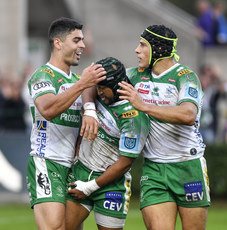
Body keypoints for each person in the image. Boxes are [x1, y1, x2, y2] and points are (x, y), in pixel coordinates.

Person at [118, 25, 210, 230]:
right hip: (154, 169)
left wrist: (143, 105)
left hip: (188, 166)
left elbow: (188, 114)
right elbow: (95, 81)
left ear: (157, 49)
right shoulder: (135, 75)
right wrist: (88, 109)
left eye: (143, 45)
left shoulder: (185, 76)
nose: (136, 50)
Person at [26, 17, 106, 230]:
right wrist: (82, 84)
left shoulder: (77, 82)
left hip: (73, 167)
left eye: (82, 40)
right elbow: (48, 110)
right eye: (76, 40)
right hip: (47, 161)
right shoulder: (43, 75)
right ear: (58, 43)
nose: (82, 45)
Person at [65, 57, 150, 230]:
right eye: (98, 87)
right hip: (81, 171)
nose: (99, 92)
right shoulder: (99, 91)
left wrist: (90, 187)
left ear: (117, 86)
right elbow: (88, 85)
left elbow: (125, 163)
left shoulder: (134, 117)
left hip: (111, 183)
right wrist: (89, 109)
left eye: (103, 89)